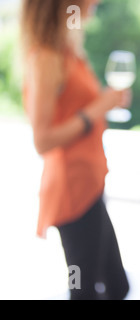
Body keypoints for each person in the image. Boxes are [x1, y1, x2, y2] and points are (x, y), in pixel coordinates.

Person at [20, 0, 130, 299]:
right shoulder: (45, 57)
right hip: (71, 190)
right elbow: (42, 140)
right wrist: (97, 109)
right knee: (83, 289)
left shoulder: (69, 53)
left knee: (117, 285)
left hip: (90, 185)